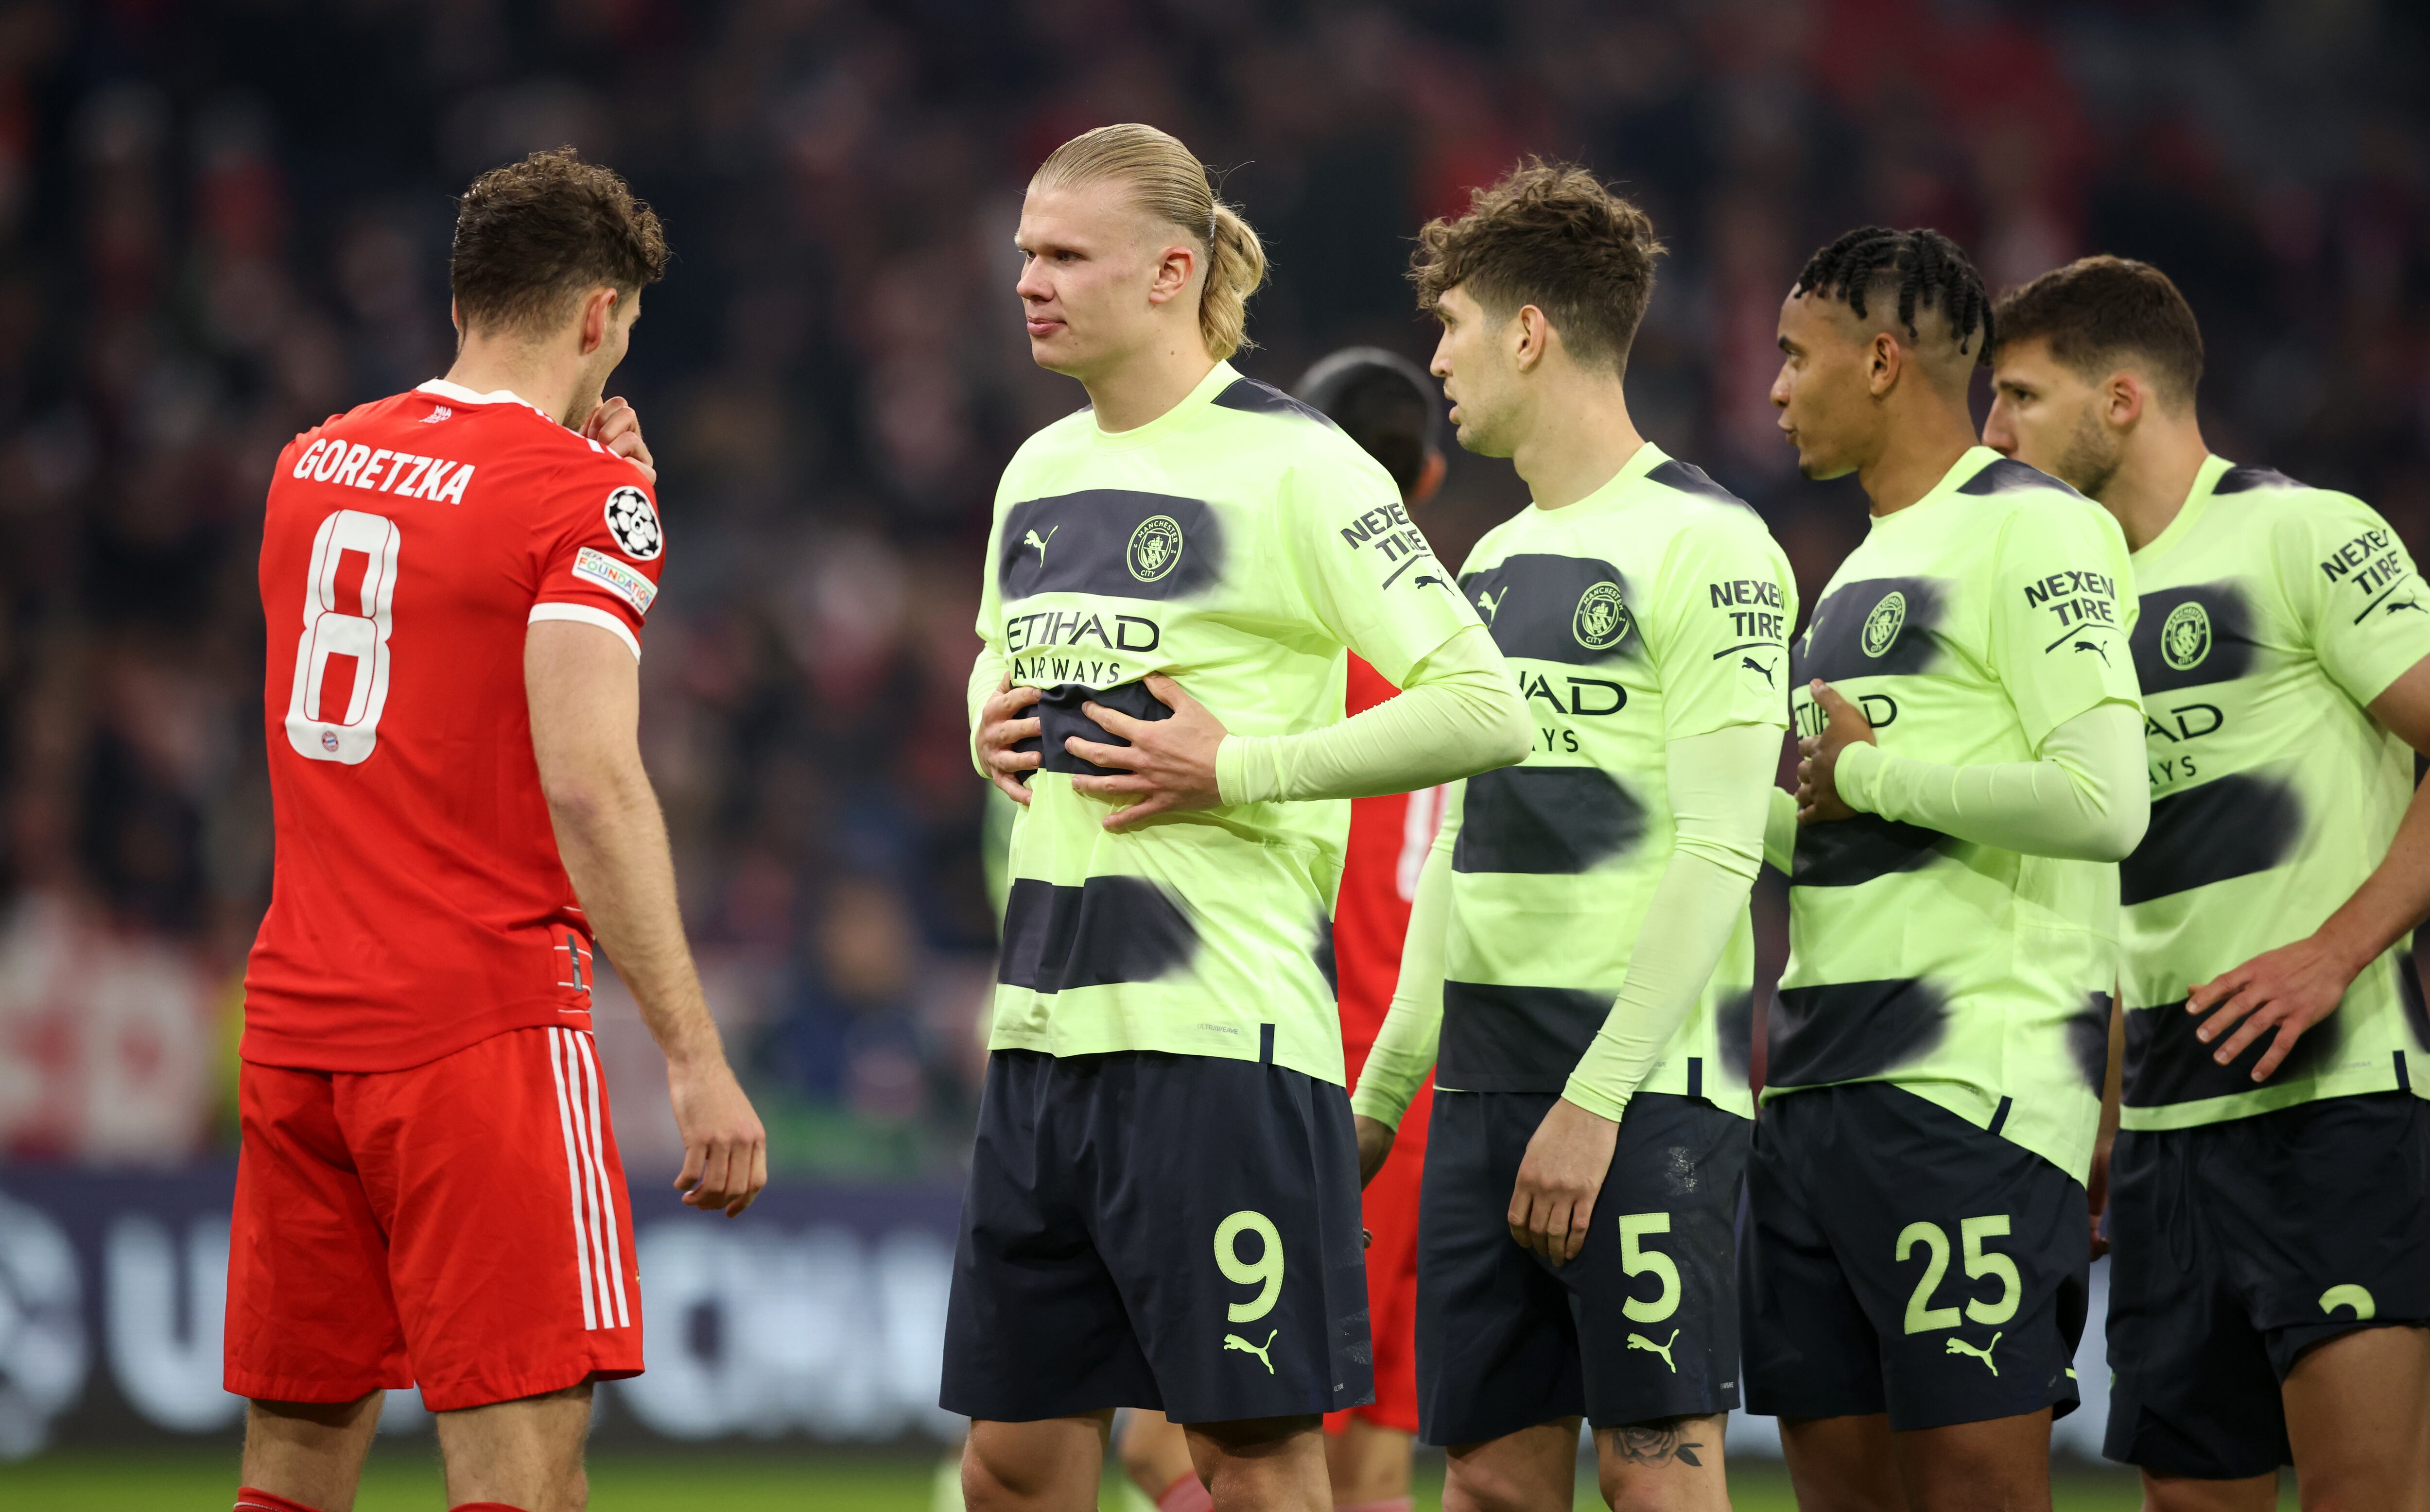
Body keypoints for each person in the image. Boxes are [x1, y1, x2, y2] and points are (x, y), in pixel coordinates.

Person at [949, 123, 1529, 1512]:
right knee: (1011, 1465)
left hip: (1218, 1046)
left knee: (1250, 1456)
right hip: (1042, 1038)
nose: (1028, 279)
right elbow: (993, 648)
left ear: (1170, 272)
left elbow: (1485, 707)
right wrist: (985, 712)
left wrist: (1241, 765)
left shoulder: (1297, 465)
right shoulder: (1037, 470)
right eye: (1026, 252)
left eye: (1063, 254)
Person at [225, 149, 767, 1512]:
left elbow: (420, 644)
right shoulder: (585, 499)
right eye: (624, 330)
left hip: (297, 1028)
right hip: (479, 1029)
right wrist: (695, 1055)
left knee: (291, 1468)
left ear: (463, 297)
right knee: (524, 1472)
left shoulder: (307, 465)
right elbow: (590, 782)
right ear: (597, 314)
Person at [1349, 161, 1796, 1512]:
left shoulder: (1712, 545)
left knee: (1654, 1478)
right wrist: (1382, 1101)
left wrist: (1595, 1104)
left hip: (1642, 1094)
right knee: (1488, 1484)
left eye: (1453, 327)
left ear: (1530, 332)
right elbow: (1461, 850)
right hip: (1479, 1090)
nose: (1438, 361)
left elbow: (1722, 849)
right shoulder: (1487, 566)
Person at [1984, 255, 2430, 1512]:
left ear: (2121, 399)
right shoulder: (2064, 608)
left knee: (2363, 1493)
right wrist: (2094, 1118)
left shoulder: (2303, 532)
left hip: (2333, 1109)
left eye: (2021, 395)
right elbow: (2115, 890)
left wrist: (2333, 952)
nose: (1994, 433)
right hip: (2160, 1139)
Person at [1744, 226, 2148, 1511]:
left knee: (1977, 1490)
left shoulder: (2038, 528)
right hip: (1814, 1090)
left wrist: (1869, 776)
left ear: (1880, 360)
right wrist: (1703, 795)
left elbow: (2105, 801)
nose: (1773, 389)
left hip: (1966, 1093)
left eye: (1794, 356)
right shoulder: (1855, 571)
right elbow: (1845, 839)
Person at [1112, 346, 1451, 1512]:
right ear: (1429, 478)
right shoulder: (1449, 654)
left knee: (1169, 1444)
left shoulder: (1294, 646)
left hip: (1304, 1096)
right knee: (1369, 1466)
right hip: (1422, 1096)